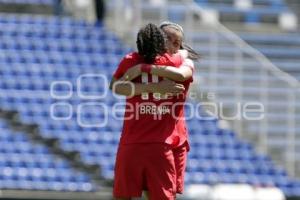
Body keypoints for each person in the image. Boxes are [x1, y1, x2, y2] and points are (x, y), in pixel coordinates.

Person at [110, 23, 199, 200]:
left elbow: (115, 86)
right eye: (169, 39)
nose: (173, 46)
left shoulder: (132, 61)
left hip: (143, 142)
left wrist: (144, 70)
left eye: (177, 42)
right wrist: (154, 86)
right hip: (162, 143)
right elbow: (182, 71)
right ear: (159, 38)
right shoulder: (178, 62)